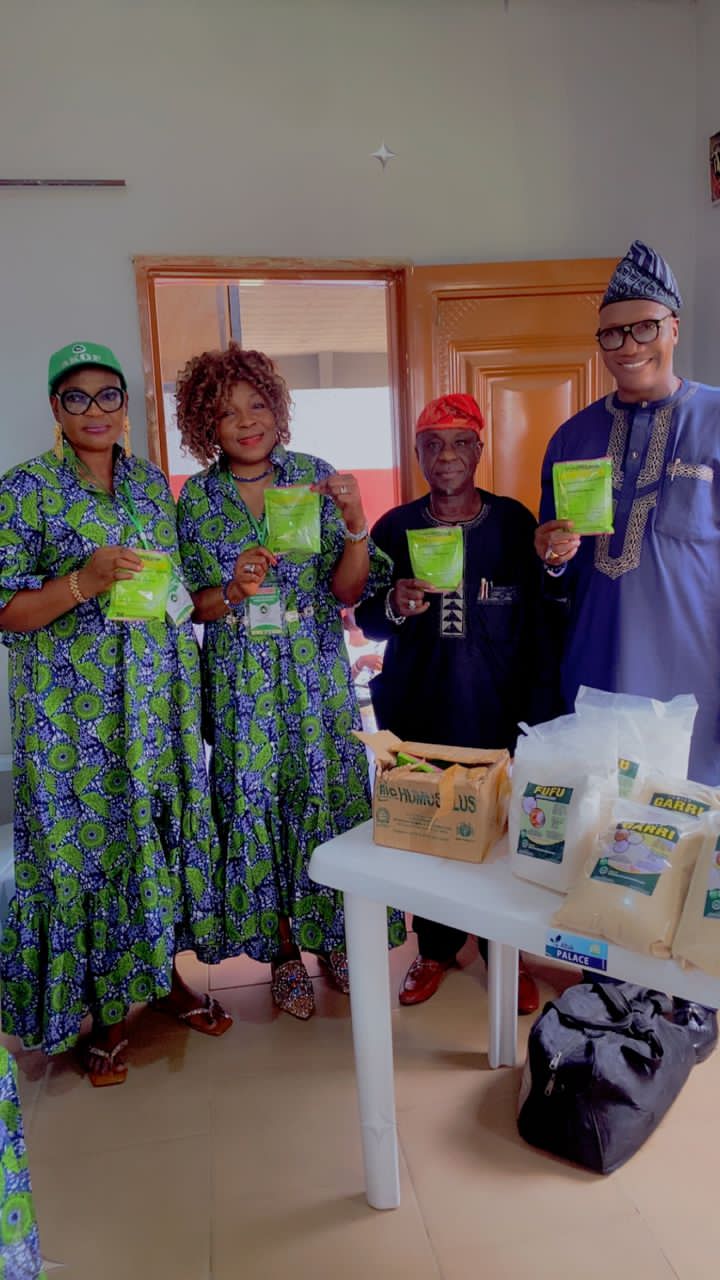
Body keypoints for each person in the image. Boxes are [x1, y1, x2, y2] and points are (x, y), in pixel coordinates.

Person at [0, 342, 231, 1088]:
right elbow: (7, 611)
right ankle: (99, 1013)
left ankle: (163, 979)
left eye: (108, 395)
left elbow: (170, 587)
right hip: (73, 721)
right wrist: (82, 581)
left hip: (155, 704)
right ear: (56, 408)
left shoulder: (149, 483)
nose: (94, 410)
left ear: (125, 406)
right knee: (90, 856)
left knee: (154, 841)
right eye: (77, 397)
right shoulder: (25, 489)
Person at [175, 345, 405, 1020]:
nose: (247, 422)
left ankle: (334, 939)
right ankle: (281, 955)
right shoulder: (199, 501)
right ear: (206, 426)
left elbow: (348, 590)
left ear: (278, 409)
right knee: (259, 806)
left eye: (257, 405)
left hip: (315, 672)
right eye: (227, 413)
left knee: (326, 799)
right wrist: (234, 589)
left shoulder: (314, 477)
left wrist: (356, 524)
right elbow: (188, 605)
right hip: (241, 680)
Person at [536, 239, 720, 1061]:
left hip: (695, 685)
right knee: (601, 837)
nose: (626, 346)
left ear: (673, 327)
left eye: (642, 327)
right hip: (600, 672)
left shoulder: (715, 420)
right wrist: (551, 555)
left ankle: (688, 1000)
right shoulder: (573, 435)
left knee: (687, 840)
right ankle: (604, 991)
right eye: (611, 333)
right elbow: (558, 570)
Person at [356, 393, 557, 1014]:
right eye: (432, 444)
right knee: (429, 832)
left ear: (479, 449)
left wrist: (540, 714)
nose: (446, 456)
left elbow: (541, 614)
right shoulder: (394, 527)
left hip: (498, 707)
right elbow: (368, 617)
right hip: (421, 708)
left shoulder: (514, 522)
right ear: (417, 453)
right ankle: (435, 947)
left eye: (460, 442)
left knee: (503, 835)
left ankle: (505, 951)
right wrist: (395, 604)